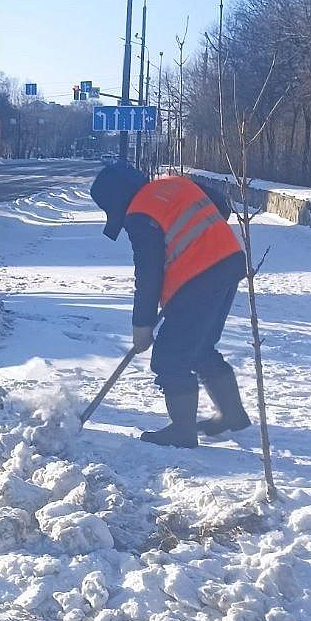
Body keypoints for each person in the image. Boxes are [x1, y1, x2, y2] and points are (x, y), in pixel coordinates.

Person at [90, 163, 250, 448]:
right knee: (199, 346)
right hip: (230, 262)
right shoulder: (177, 184)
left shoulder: (141, 212)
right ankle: (232, 415)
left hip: (198, 278)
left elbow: (149, 273)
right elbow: (220, 206)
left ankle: (182, 431)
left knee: (169, 357)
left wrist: (142, 324)